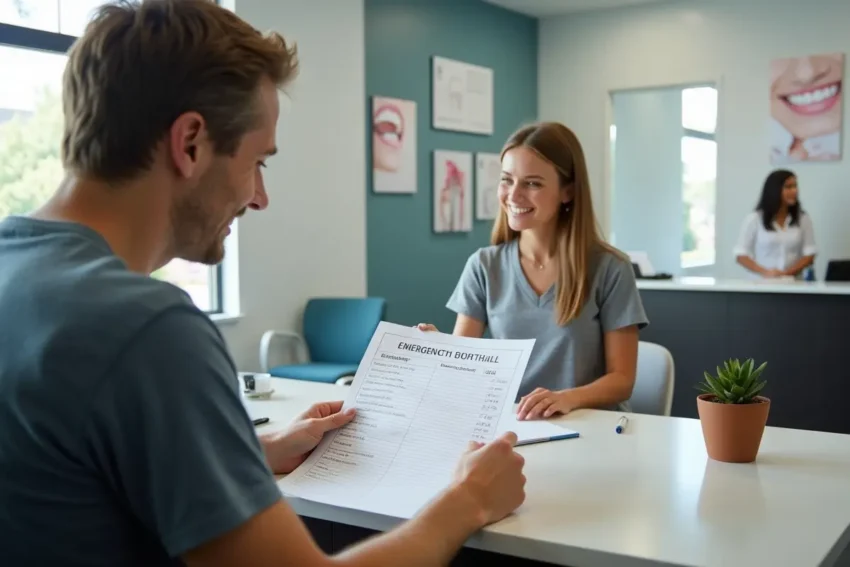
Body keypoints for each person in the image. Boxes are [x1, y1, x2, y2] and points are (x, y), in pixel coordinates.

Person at [0, 1, 526, 566]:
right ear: (191, 143)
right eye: (258, 162)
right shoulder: (145, 326)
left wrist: (248, 451)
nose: (259, 197)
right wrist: (466, 500)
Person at [417, 122, 648, 421]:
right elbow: (464, 363)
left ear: (568, 192)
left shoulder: (610, 269)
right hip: (512, 426)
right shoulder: (484, 266)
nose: (513, 196)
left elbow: (622, 380)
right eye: (506, 180)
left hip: (590, 427)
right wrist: (439, 349)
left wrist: (566, 399)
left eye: (533, 183)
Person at [734, 169, 816, 279]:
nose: (794, 191)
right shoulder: (754, 219)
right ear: (774, 190)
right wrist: (766, 272)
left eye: (795, 186)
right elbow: (741, 255)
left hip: (793, 283)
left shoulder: (802, 218)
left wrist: (787, 273)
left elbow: (810, 253)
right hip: (761, 283)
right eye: (788, 187)